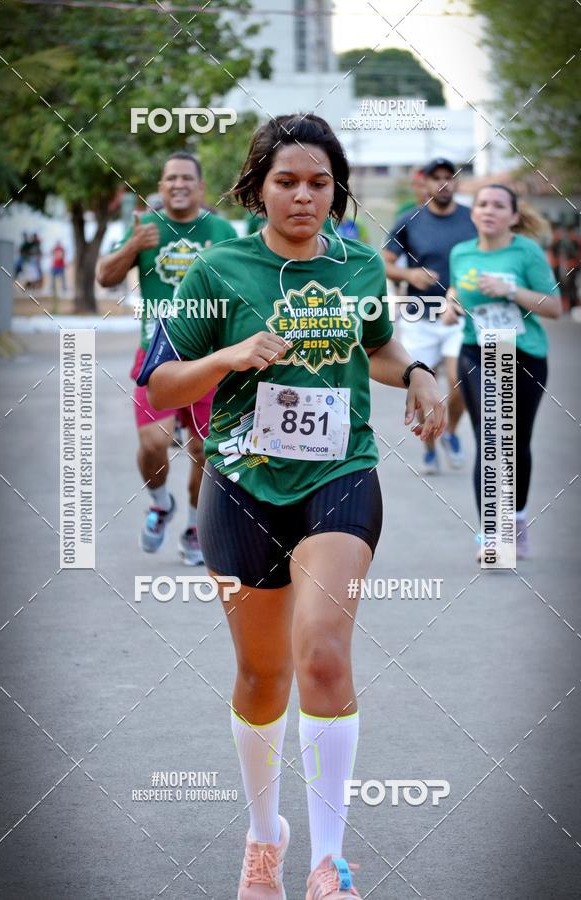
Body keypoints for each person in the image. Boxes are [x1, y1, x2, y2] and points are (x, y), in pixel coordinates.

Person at [139, 113, 445, 899]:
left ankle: (328, 861)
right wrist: (232, 355)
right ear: (258, 186)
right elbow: (160, 385)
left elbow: (378, 348)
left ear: (336, 189)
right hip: (240, 486)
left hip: (339, 474)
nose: (303, 196)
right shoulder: (217, 269)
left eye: (318, 183)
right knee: (262, 673)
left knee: (322, 654)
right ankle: (264, 835)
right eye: (287, 182)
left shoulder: (356, 269)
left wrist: (416, 376)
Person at [96, 151, 236, 564]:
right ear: (160, 187)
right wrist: (133, 247)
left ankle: (195, 525)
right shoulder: (145, 229)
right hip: (157, 355)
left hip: (209, 359)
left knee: (205, 451)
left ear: (201, 187)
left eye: (186, 178)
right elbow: (105, 277)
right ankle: (160, 504)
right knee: (153, 443)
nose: (178, 184)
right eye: (170, 178)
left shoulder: (222, 230)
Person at [443, 184, 562, 559]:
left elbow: (555, 307)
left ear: (513, 216)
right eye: (482, 205)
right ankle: (493, 535)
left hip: (523, 354)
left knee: (517, 442)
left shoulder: (526, 252)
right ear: (473, 213)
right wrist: (450, 305)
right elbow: (456, 290)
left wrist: (508, 290)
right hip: (477, 351)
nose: (489, 210)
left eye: (498, 205)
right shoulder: (461, 252)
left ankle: (519, 517)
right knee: (492, 440)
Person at [383, 158, 477, 474]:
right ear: (425, 184)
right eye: (436, 177)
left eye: (449, 177)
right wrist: (410, 277)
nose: (443, 183)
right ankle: (430, 447)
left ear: (457, 183)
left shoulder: (471, 219)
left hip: (460, 316)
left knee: (461, 381)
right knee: (424, 389)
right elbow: (383, 263)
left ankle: (449, 432)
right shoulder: (409, 220)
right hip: (419, 317)